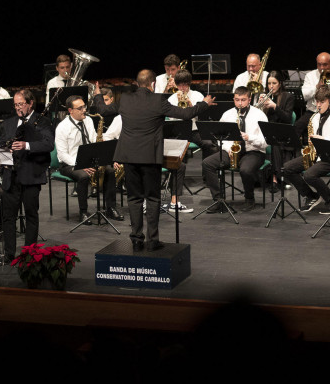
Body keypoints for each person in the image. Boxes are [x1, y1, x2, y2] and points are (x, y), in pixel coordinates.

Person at [92, 70, 214, 252]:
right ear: (153, 84)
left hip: (129, 157)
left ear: (136, 83)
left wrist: (97, 95)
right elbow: (187, 114)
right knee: (152, 197)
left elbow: (102, 109)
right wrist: (204, 104)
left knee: (133, 198)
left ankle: (135, 238)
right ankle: (153, 240)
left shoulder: (125, 99)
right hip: (150, 157)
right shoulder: (158, 101)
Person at [0, 90, 54, 264]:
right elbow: (0, 144)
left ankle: (30, 254)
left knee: (31, 215)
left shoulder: (43, 121)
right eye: (15, 104)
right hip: (11, 175)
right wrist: (5, 151)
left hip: (31, 175)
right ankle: (9, 254)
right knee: (8, 217)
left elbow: (48, 144)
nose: (17, 107)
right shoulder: (9, 123)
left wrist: (26, 145)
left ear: (30, 103)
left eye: (21, 104)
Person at [55, 95, 123, 225]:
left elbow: (93, 141)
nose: (84, 110)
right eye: (80, 108)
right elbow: (62, 154)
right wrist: (80, 164)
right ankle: (83, 212)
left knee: (109, 170)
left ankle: (111, 208)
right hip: (69, 163)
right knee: (83, 176)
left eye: (84, 106)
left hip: (89, 159)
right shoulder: (62, 128)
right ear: (71, 111)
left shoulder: (88, 121)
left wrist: (107, 158)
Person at [283, 86, 330, 213]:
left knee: (309, 175)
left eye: (322, 102)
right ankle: (311, 196)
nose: (318, 105)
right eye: (317, 102)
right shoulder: (314, 118)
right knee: (287, 168)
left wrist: (323, 139)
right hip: (316, 155)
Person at [201, 86, 268, 213]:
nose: (240, 103)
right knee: (207, 163)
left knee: (245, 170)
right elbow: (221, 138)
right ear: (233, 99)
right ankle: (218, 200)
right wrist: (228, 148)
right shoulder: (227, 114)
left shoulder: (260, 115)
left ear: (249, 100)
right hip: (232, 150)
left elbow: (265, 142)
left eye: (243, 100)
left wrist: (250, 138)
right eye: (237, 100)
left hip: (253, 151)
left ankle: (249, 199)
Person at [165, 69, 207, 213]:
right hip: (178, 131)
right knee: (177, 162)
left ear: (189, 84)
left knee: (209, 145)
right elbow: (171, 119)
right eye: (179, 85)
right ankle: (174, 194)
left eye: (185, 85)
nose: (182, 88)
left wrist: (190, 105)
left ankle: (207, 175)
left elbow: (200, 114)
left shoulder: (197, 95)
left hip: (194, 130)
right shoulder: (171, 99)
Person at [296, 52, 330, 141]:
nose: (321, 68)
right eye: (319, 64)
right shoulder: (310, 75)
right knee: (297, 127)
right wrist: (317, 86)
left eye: (325, 65)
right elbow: (304, 95)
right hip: (313, 111)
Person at [257, 69, 295, 192]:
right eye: (269, 83)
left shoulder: (288, 97)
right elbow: (260, 118)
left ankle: (275, 177)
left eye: (274, 83)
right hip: (267, 131)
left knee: (274, 144)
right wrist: (260, 107)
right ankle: (271, 177)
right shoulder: (264, 95)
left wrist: (274, 106)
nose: (271, 86)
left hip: (282, 132)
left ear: (280, 83)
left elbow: (288, 118)